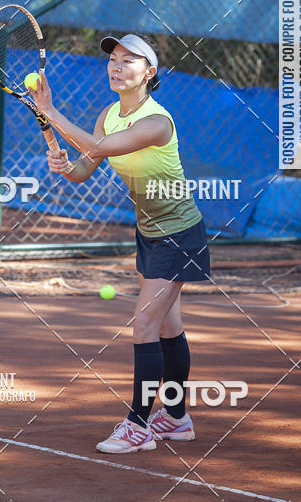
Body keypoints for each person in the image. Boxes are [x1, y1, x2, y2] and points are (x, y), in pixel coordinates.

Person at [27, 33, 211, 454]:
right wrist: (63, 164)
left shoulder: (157, 122)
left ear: (150, 73)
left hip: (178, 234)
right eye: (113, 58)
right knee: (168, 325)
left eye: (129, 60)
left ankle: (138, 425)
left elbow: (95, 146)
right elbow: (82, 167)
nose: (117, 65)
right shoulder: (109, 114)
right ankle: (176, 418)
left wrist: (51, 111)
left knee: (144, 324)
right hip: (150, 231)